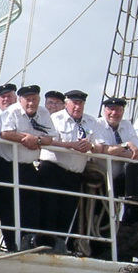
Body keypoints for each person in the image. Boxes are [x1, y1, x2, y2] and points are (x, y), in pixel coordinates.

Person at [39, 90, 101, 237]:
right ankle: (45, 243)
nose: (77, 107)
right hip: (53, 170)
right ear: (67, 103)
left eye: (80, 104)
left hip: (74, 174)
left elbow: (100, 146)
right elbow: (48, 141)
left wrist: (90, 146)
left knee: (67, 212)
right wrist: (70, 145)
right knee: (49, 209)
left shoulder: (91, 122)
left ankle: (60, 244)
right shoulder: (55, 118)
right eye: (74, 103)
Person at [0, 85, 56, 245]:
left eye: (34, 99)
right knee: (9, 208)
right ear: (20, 100)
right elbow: (5, 133)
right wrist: (26, 139)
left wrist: (36, 140)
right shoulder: (12, 111)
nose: (31, 103)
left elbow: (50, 137)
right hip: (7, 166)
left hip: (27, 166)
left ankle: (29, 241)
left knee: (32, 205)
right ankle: (12, 244)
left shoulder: (43, 113)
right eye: (28, 100)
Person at [94, 97, 138, 193]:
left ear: (123, 111)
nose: (114, 113)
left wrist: (114, 152)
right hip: (99, 177)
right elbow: (104, 150)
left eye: (118, 109)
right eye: (111, 109)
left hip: (120, 179)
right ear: (104, 110)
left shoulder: (127, 125)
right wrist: (126, 146)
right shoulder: (97, 124)